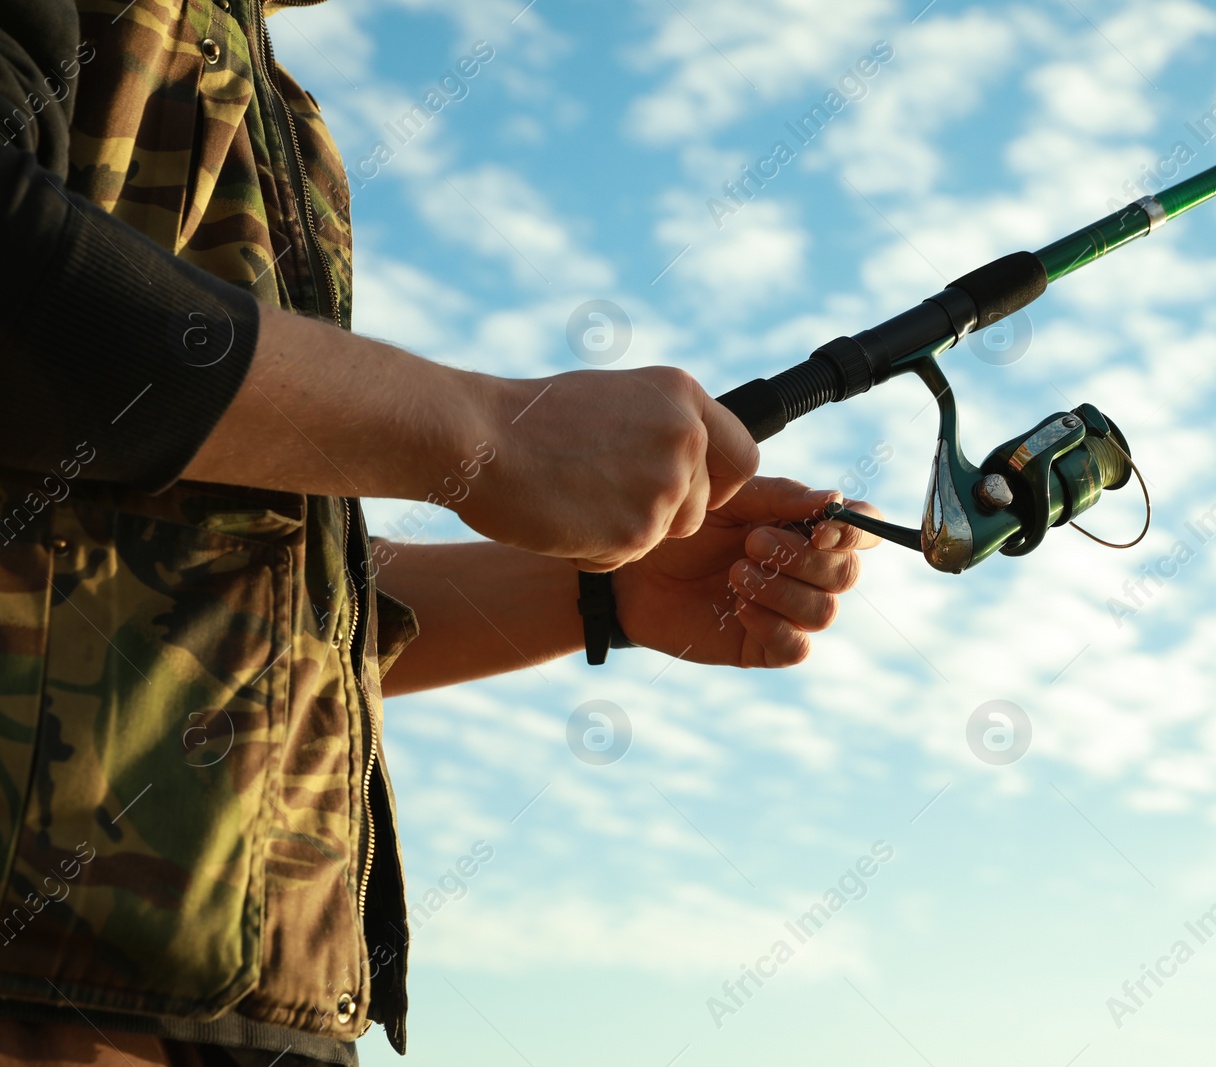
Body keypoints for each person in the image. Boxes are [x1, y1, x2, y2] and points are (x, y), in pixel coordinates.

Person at [0, 2, 879, 1064]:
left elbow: (226, 600)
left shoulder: (274, 107)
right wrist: (480, 430)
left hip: (249, 1024)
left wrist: (601, 592)